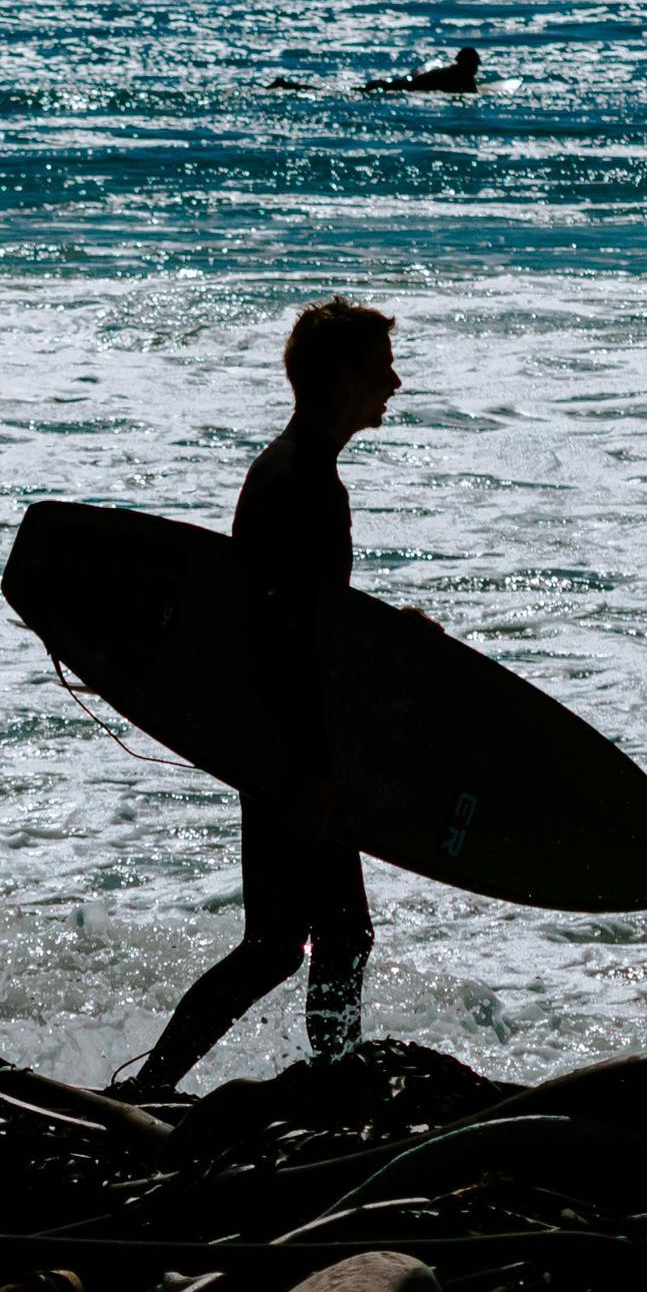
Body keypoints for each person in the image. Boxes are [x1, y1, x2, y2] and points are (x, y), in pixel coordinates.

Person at [126, 297, 401, 1097]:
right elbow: (286, 644)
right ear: (345, 377)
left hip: (273, 740)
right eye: (380, 366)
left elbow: (306, 619)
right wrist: (314, 771)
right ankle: (329, 1084)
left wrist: (391, 637)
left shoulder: (293, 470)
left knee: (285, 941)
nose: (394, 382)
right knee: (329, 936)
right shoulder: (304, 483)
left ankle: (165, 1083)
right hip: (289, 748)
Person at [363, 45, 481, 95]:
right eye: (474, 65)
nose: (476, 69)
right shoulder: (463, 77)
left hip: (415, 84)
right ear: (468, 65)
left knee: (395, 85)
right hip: (416, 86)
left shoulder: (454, 72)